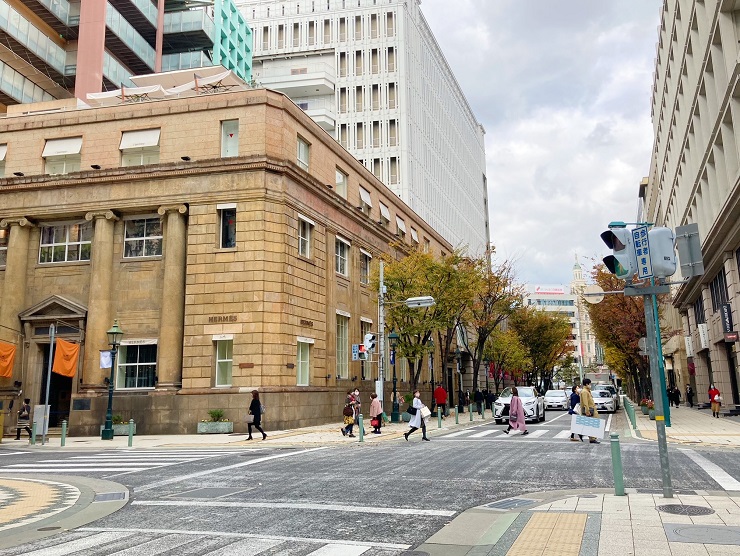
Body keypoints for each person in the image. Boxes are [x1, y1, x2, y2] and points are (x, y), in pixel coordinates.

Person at [580, 379, 600, 444]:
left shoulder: (587, 391)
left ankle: (592, 438)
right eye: (590, 384)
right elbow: (585, 402)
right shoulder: (584, 392)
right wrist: (587, 411)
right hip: (590, 410)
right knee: (592, 424)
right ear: (586, 384)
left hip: (591, 409)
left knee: (591, 423)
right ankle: (592, 438)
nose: (590, 385)